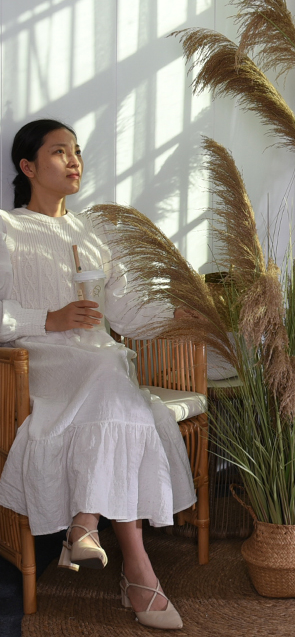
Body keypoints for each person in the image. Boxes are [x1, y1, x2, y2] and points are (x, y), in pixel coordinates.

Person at [0, 119, 196, 630]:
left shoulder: (93, 233)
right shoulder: (6, 228)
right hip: (40, 364)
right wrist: (50, 319)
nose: (74, 160)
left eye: (78, 151)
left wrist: (188, 314)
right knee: (120, 379)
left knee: (113, 369)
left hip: (100, 365)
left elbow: (129, 315)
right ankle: (133, 571)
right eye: (60, 151)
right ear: (28, 166)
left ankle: (96, 534)